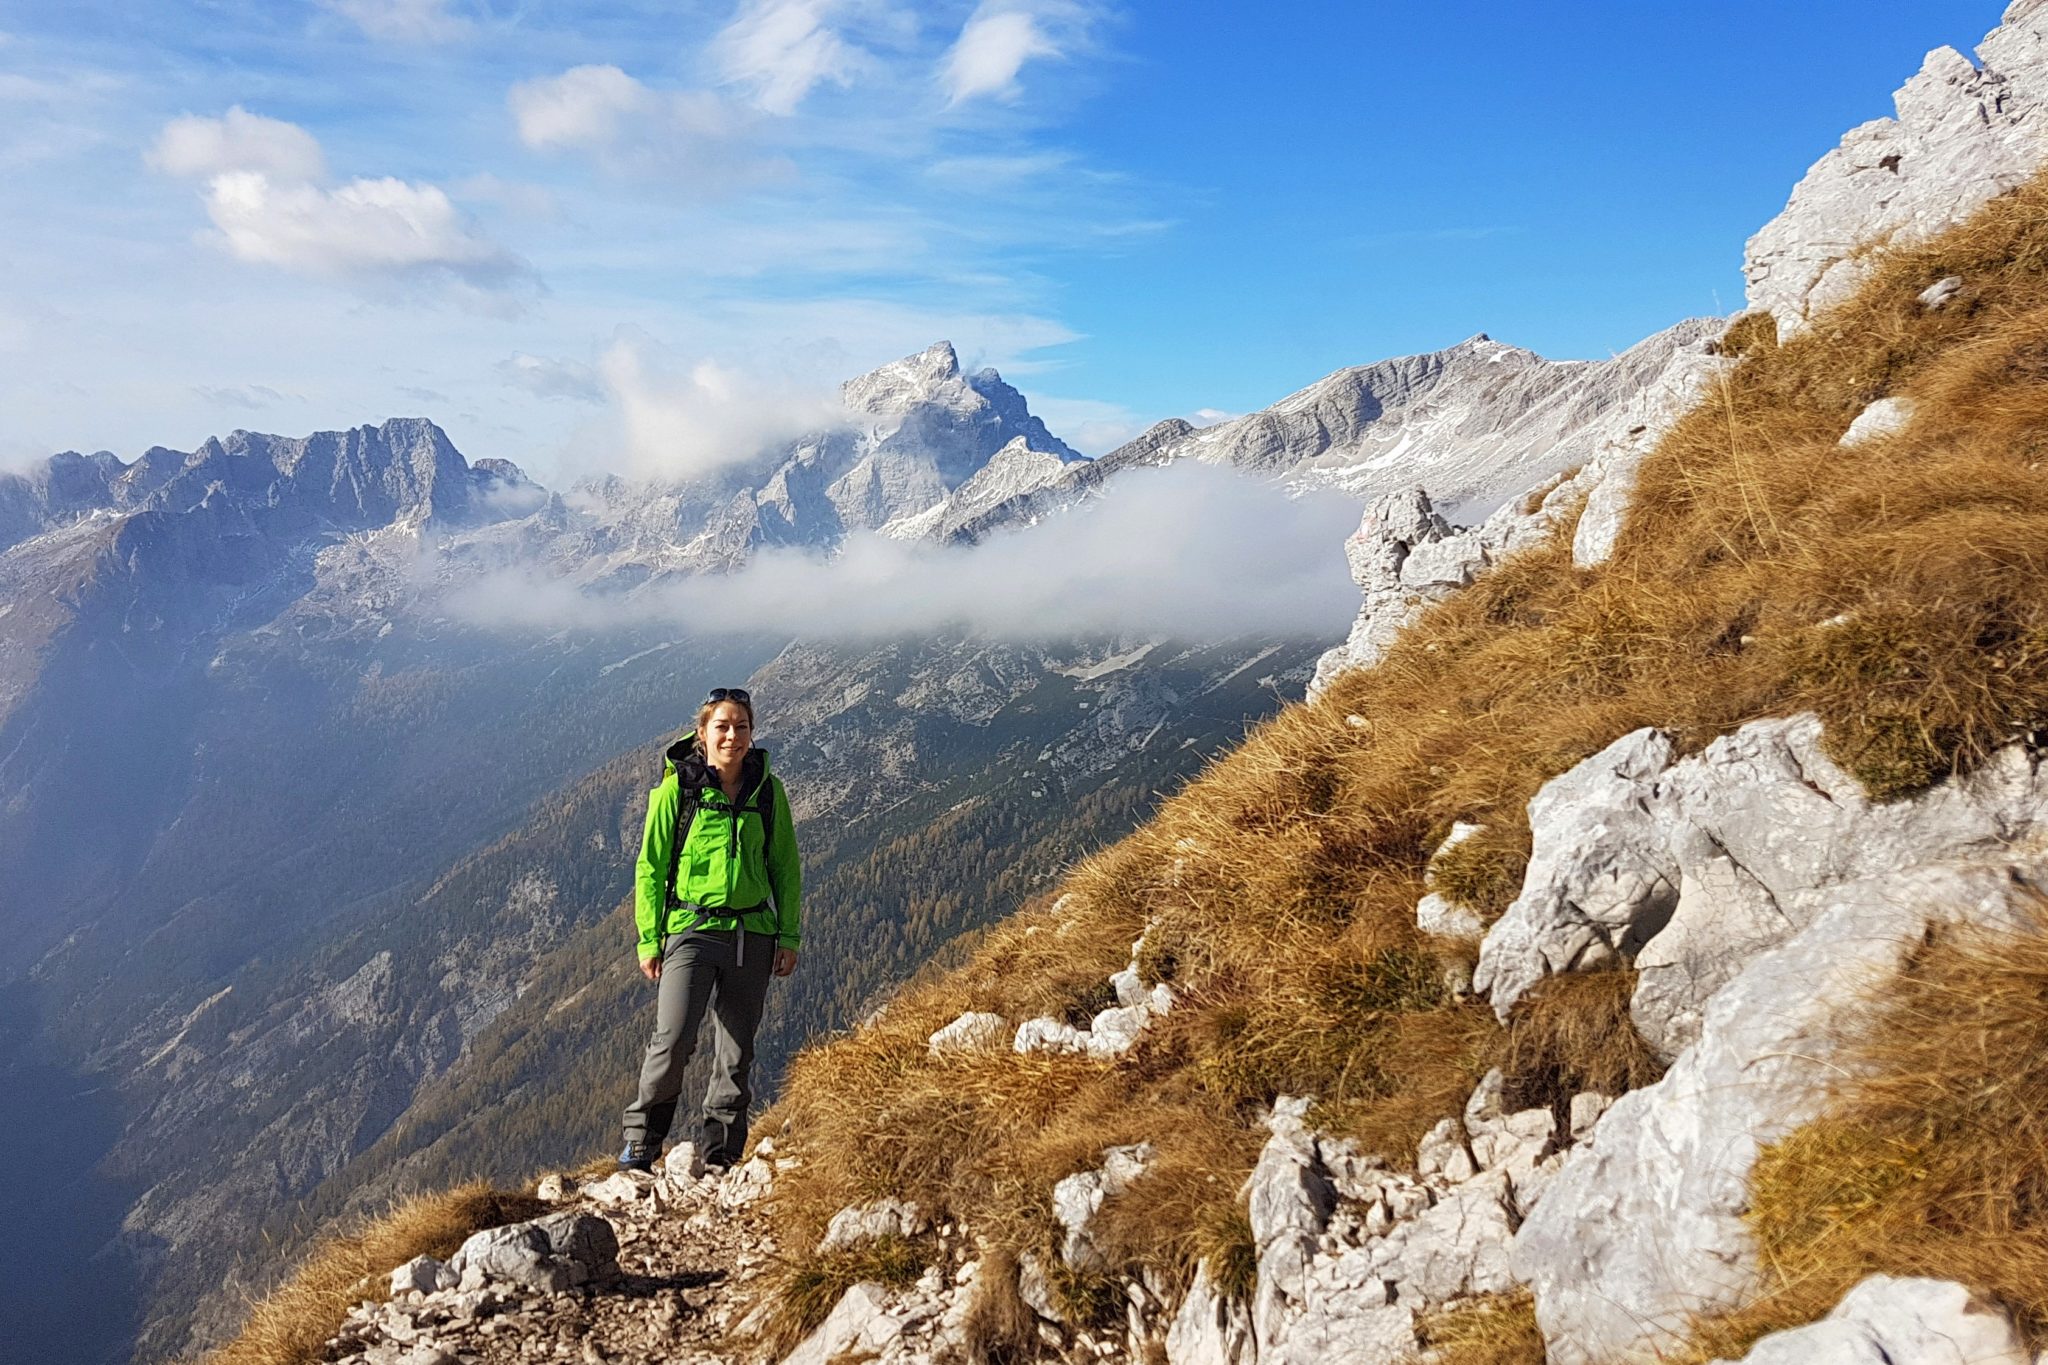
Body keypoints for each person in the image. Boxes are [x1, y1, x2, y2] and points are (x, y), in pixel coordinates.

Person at [620, 687, 801, 1173]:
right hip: (691, 930)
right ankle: (642, 1142)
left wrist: (788, 937)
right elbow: (651, 867)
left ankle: (721, 1152)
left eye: (741, 726)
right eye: (722, 726)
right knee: (674, 1039)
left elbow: (785, 866)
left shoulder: (768, 790)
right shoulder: (676, 791)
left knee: (737, 1050)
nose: (732, 736)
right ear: (702, 733)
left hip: (753, 933)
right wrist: (648, 938)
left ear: (751, 733)